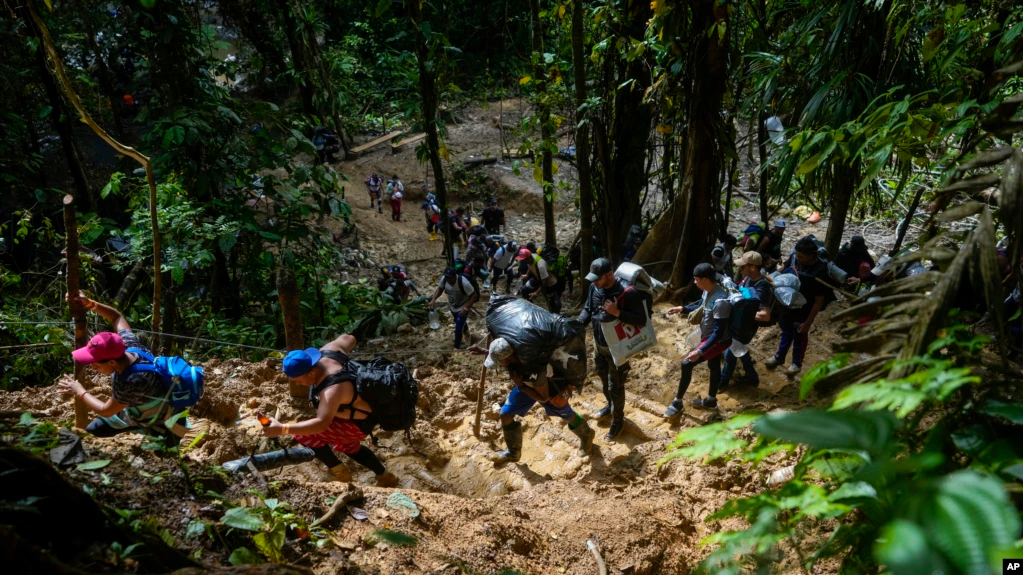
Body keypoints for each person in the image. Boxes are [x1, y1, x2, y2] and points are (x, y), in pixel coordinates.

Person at [57, 293, 210, 450]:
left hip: (166, 420)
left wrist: (80, 391)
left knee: (164, 459)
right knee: (94, 430)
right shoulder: (129, 346)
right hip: (137, 410)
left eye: (95, 365)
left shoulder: (132, 381)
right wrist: (90, 304)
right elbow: (116, 317)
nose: (92, 367)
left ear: (112, 362)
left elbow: (106, 411)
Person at [261, 336, 399, 486]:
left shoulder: (331, 390)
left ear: (312, 373)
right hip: (361, 413)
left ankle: (339, 473)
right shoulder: (329, 351)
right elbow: (350, 338)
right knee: (350, 447)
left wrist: (282, 429)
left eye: (298, 381)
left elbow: (321, 425)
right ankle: (385, 476)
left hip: (358, 424)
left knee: (304, 434)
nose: (299, 385)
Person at [485, 337, 594, 463]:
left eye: (500, 362)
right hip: (526, 385)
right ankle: (513, 453)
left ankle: (587, 434)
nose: (499, 365)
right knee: (505, 414)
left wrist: (521, 385)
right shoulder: (514, 356)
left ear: (507, 358)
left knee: (568, 415)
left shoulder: (532, 368)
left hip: (547, 390)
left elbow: (544, 397)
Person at [577, 258, 650, 440]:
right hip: (598, 344)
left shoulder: (628, 292)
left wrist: (617, 313)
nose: (594, 282)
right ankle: (610, 406)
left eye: (598, 278)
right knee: (602, 376)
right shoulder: (595, 288)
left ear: (609, 275)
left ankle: (618, 420)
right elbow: (588, 309)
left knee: (615, 386)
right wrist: (576, 325)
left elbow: (641, 319)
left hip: (618, 348)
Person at [663, 263, 732, 414]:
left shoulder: (721, 301)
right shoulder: (708, 291)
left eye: (696, 279)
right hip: (708, 336)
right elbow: (701, 306)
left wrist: (700, 351)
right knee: (714, 366)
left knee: (686, 364)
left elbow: (719, 332)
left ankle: (677, 403)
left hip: (718, 340)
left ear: (705, 280)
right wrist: (682, 309)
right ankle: (711, 401)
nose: (694, 282)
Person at [764, 236, 831, 376]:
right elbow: (786, 269)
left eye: (801, 256)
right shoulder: (795, 258)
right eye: (797, 255)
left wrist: (808, 322)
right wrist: (774, 276)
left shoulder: (820, 271)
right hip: (788, 303)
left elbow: (819, 300)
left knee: (799, 334)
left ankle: (796, 363)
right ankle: (779, 357)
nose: (798, 258)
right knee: (786, 331)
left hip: (805, 308)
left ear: (811, 256)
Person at [719, 252, 774, 388]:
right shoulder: (748, 279)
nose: (740, 269)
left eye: (743, 267)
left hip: (746, 327)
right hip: (738, 323)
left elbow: (765, 315)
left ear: (753, 268)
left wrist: (745, 314)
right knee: (738, 348)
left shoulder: (761, 287)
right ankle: (752, 377)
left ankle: (721, 383)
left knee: (730, 353)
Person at [428, 266, 479, 349]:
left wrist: (465, 309)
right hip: (452, 305)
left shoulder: (464, 283)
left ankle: (456, 346)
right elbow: (440, 289)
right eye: (446, 277)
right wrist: (433, 299)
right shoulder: (444, 279)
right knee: (458, 321)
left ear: (454, 276)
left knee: (458, 329)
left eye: (449, 278)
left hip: (463, 306)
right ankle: (466, 331)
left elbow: (474, 296)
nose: (447, 279)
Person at [516, 247, 561, 314]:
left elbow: (544, 281)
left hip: (549, 283)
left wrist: (536, 292)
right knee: (525, 290)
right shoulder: (530, 259)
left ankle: (554, 316)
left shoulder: (541, 264)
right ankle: (530, 308)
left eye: (523, 260)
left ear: (529, 257)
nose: (522, 261)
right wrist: (527, 275)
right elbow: (530, 266)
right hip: (539, 278)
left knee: (552, 303)